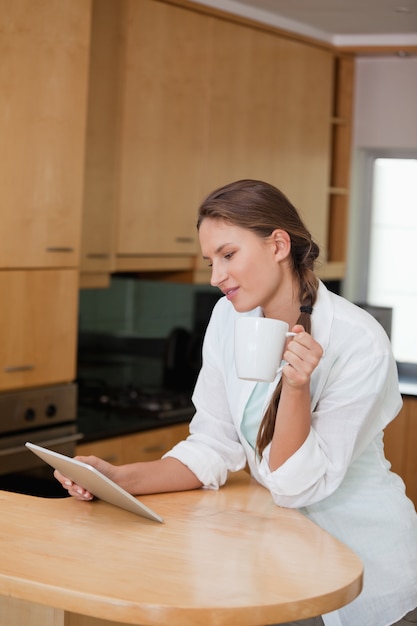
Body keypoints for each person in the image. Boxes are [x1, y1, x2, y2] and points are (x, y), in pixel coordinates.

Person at [56, 179, 417, 626]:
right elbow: (212, 443)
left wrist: (297, 388)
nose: (215, 277)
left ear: (278, 244)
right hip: (281, 555)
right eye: (211, 261)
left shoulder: (358, 340)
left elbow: (294, 484)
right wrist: (119, 479)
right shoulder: (229, 318)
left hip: (361, 563)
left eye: (228, 255)